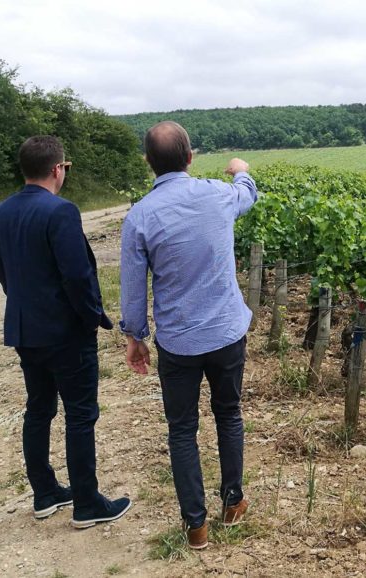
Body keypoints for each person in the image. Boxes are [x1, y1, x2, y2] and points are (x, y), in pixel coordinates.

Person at [119, 121, 257, 550]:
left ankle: (195, 527)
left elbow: (132, 286)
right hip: (226, 333)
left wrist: (135, 336)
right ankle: (232, 504)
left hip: (178, 342)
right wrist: (241, 168)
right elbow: (248, 194)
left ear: (148, 164)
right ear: (191, 157)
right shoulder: (218, 194)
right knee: (228, 414)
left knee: (181, 431)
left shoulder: (139, 216)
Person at [0, 135, 132, 529]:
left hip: (25, 329)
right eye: (65, 168)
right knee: (81, 415)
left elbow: (4, 272)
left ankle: (45, 492)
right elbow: (78, 276)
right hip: (65, 332)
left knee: (38, 410)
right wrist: (92, 318)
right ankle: (87, 503)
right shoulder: (61, 211)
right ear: (57, 169)